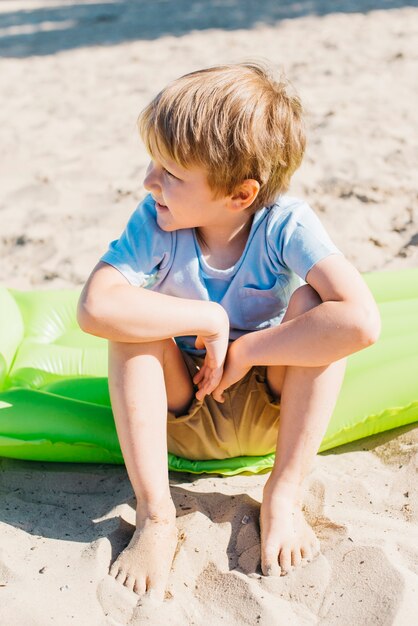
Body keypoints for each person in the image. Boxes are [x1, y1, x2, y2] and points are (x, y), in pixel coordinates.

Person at [77, 63, 381, 602]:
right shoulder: (155, 220)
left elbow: (360, 320)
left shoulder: (284, 223)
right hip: (180, 407)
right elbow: (95, 307)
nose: (150, 181)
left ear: (240, 195)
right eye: (154, 162)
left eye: (169, 172)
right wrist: (209, 319)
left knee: (317, 304)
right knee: (130, 323)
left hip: (272, 407)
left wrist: (246, 349)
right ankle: (156, 514)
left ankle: (283, 496)